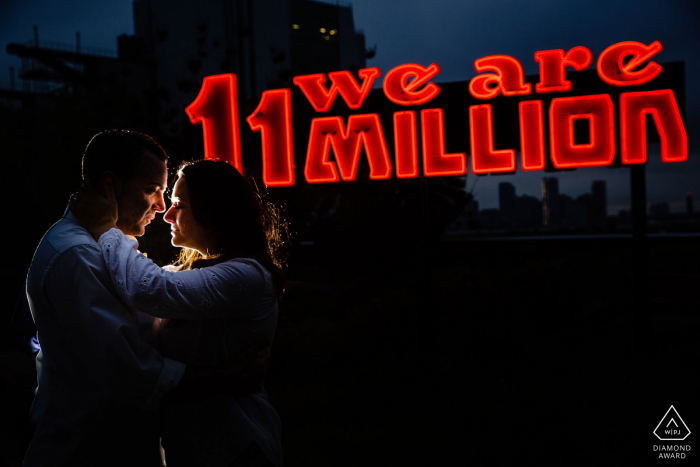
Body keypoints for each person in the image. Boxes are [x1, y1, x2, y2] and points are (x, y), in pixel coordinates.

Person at [24, 130, 268, 466]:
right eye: (152, 190)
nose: (162, 207)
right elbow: (128, 370)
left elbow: (155, 289)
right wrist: (223, 379)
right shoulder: (79, 254)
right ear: (110, 186)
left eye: (170, 198)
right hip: (87, 449)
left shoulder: (103, 250)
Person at [71, 159, 284, 466]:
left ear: (213, 210)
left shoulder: (248, 276)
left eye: (179, 204)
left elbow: (147, 289)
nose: (167, 214)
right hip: (193, 448)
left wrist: (107, 228)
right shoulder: (186, 275)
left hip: (237, 445)